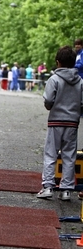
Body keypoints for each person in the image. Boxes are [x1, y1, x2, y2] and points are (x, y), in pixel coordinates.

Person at [37, 46, 83, 201]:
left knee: (51, 153)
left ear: (58, 62)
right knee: (69, 156)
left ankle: (48, 186)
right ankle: (66, 190)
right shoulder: (80, 81)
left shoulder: (54, 79)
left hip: (56, 121)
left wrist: (50, 106)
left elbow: (49, 99)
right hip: (72, 123)